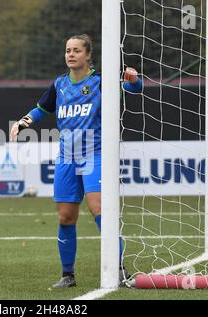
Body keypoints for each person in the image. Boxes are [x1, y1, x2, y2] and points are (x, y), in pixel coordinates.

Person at [10, 34, 143, 288]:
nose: (71, 54)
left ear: (88, 55)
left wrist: (135, 80)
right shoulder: (59, 85)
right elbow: (41, 109)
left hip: (96, 155)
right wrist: (24, 121)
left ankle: (120, 269)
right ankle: (67, 275)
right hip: (66, 159)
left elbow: (133, 89)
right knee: (65, 217)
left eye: (76, 50)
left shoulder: (101, 82)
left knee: (99, 209)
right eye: (68, 50)